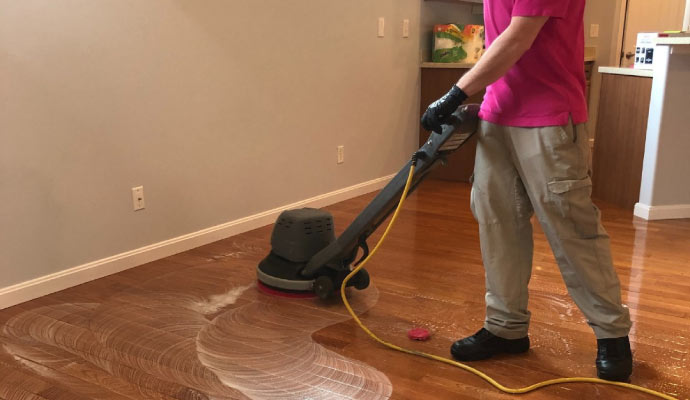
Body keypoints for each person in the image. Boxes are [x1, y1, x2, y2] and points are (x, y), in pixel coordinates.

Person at [421, 0, 633, 382]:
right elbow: (499, 38)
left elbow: (519, 36)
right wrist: (479, 100)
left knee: (572, 230)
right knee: (498, 223)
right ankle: (506, 327)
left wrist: (455, 93)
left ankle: (612, 333)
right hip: (496, 114)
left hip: (548, 118)